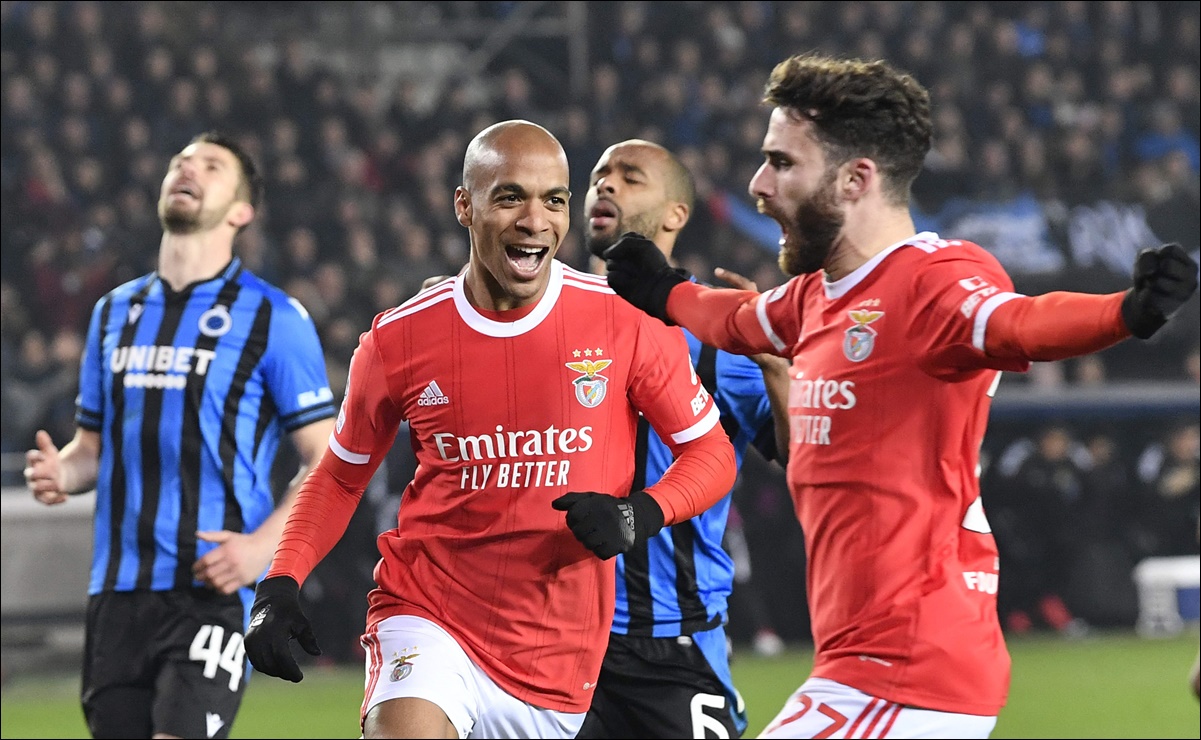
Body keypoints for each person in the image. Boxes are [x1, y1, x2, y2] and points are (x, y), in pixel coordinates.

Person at [600, 53, 1199, 738]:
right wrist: (663, 291)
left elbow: (1019, 323)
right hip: (857, 670)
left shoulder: (935, 280)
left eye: (782, 163)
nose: (757, 184)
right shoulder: (810, 299)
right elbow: (734, 321)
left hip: (911, 666)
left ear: (856, 178)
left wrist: (1126, 312)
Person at [241, 119, 738, 740]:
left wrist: (640, 513)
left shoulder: (624, 322)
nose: (536, 221)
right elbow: (341, 475)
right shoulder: (398, 338)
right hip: (428, 614)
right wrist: (280, 580)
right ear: (464, 206)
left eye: (554, 200)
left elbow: (712, 454)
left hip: (558, 658)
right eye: (510, 197)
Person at [22, 131, 337, 739]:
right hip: (117, 592)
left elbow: (325, 462)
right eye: (180, 161)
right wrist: (62, 471)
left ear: (241, 211)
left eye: (211, 166)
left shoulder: (275, 318)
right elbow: (91, 450)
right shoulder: (112, 313)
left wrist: (262, 550)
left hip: (209, 591)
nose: (189, 169)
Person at [575, 138, 790, 739]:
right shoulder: (540, 320)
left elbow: (806, 465)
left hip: (675, 643)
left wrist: (775, 368)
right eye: (599, 176)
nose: (606, 185)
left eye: (630, 177)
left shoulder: (724, 340)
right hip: (557, 636)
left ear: (675, 214)